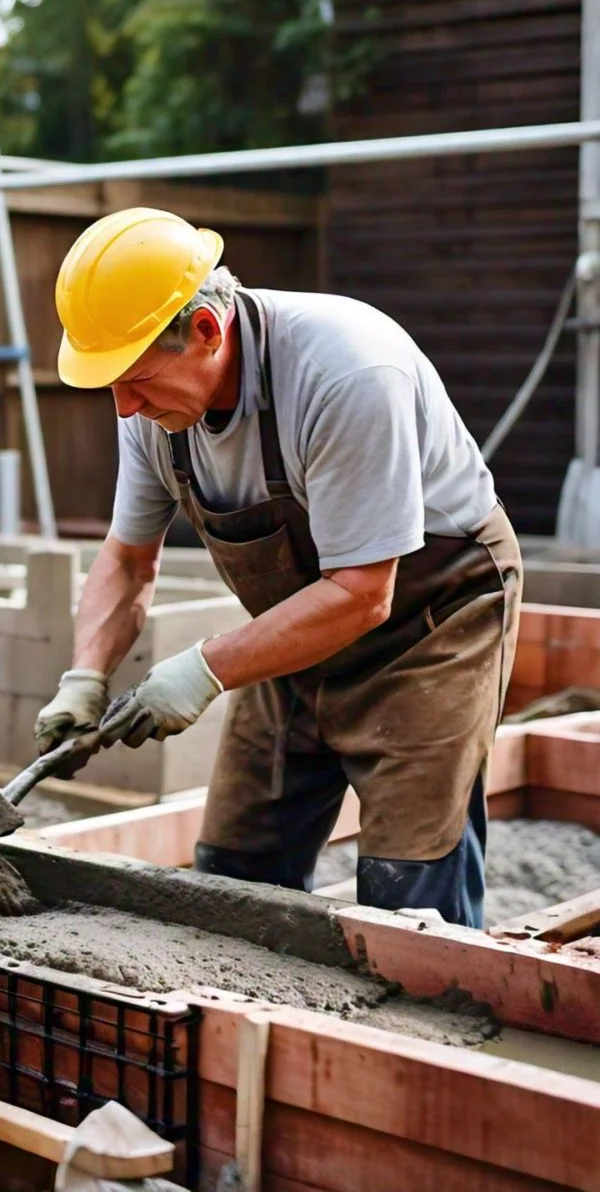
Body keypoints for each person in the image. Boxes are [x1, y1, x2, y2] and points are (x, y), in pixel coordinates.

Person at [34, 207, 521, 928]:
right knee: (235, 867)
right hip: (299, 629)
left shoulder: (347, 370)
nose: (124, 405)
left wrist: (201, 670)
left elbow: (362, 594)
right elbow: (128, 559)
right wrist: (85, 677)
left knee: (409, 891)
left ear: (206, 331)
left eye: (135, 379)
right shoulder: (151, 414)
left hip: (430, 624)